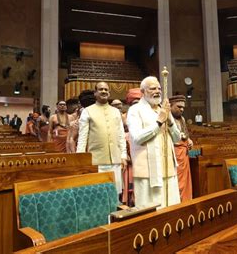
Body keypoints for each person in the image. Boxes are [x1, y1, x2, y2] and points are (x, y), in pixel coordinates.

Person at [127, 76, 181, 208]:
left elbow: (177, 138)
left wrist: (169, 121)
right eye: (152, 88)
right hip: (147, 171)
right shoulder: (135, 110)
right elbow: (138, 137)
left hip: (168, 169)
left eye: (159, 88)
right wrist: (159, 122)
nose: (157, 91)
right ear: (143, 91)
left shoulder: (163, 109)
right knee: (151, 211)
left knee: (171, 207)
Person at [77, 82, 127, 195]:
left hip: (115, 160)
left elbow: (121, 135)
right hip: (96, 161)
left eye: (106, 89)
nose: (104, 91)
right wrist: (80, 159)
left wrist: (123, 155)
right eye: (100, 89)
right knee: (98, 194)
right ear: (95, 93)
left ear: (109, 93)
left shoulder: (115, 112)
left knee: (115, 193)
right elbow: (82, 138)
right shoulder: (87, 111)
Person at [169, 95, 193, 202]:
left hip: (184, 155)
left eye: (183, 107)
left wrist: (189, 140)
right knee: (177, 181)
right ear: (170, 106)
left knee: (185, 181)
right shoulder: (168, 119)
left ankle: (186, 201)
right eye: (179, 107)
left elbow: (185, 134)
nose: (182, 109)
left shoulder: (182, 119)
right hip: (173, 154)